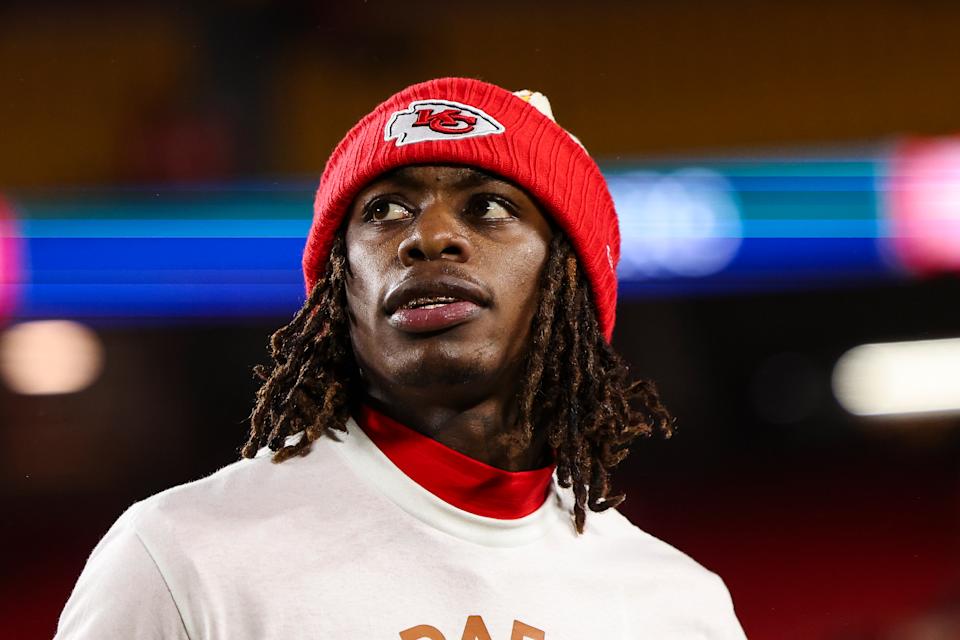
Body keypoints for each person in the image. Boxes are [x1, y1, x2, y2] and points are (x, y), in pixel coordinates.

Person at [55, 77, 746, 639]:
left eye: (490, 206)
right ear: (338, 289)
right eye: (385, 209)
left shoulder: (680, 609)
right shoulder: (180, 558)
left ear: (571, 281)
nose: (429, 236)